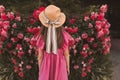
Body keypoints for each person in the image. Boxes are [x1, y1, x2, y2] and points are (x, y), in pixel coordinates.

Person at [36, 5, 74, 80]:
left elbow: (40, 57)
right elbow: (66, 54)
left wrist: (41, 69)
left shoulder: (42, 37)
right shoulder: (63, 35)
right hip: (60, 64)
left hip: (47, 65)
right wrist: (67, 67)